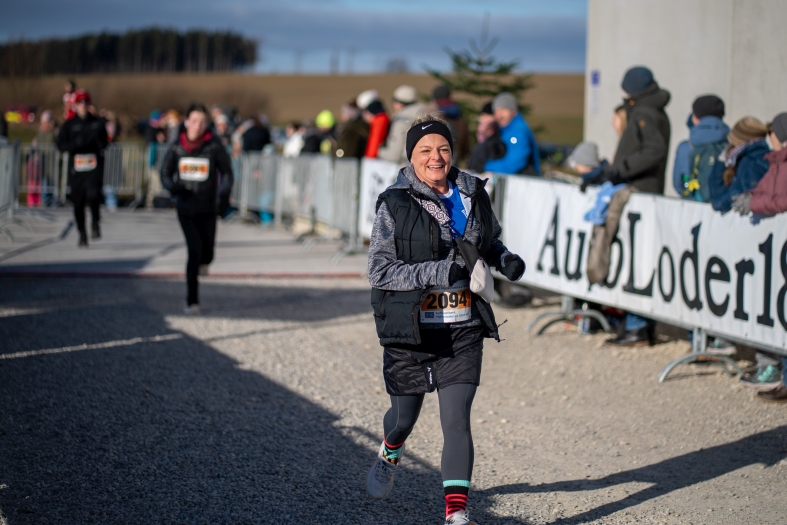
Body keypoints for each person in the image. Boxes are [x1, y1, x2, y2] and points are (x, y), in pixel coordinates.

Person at [366, 114, 525, 525]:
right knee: (403, 419)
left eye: (443, 149)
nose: (435, 157)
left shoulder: (473, 192)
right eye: (425, 150)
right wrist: (439, 272)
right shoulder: (394, 203)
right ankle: (390, 450)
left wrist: (503, 258)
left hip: (462, 326)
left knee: (456, 419)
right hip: (410, 329)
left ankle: (456, 514)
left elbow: (487, 241)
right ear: (411, 157)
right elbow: (379, 271)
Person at [583, 66, 672, 345]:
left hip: (639, 190)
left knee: (636, 258)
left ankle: (637, 325)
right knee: (635, 256)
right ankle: (637, 324)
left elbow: (654, 150)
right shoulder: (651, 109)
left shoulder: (645, 112)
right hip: (638, 189)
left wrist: (621, 171)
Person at [160, 103, 234, 314]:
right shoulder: (177, 147)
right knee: (194, 252)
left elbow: (227, 173)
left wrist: (223, 193)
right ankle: (192, 300)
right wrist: (173, 188)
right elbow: (165, 173)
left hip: (208, 206)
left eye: (202, 122)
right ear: (186, 122)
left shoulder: (214, 147)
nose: (198, 125)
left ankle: (204, 263)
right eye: (194, 121)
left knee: (207, 254)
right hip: (186, 207)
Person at [56, 89, 108, 247]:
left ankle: (95, 221)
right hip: (77, 169)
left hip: (93, 167)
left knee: (94, 195)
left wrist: (97, 145)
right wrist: (74, 145)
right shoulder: (69, 125)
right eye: (79, 102)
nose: (83, 105)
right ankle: (82, 233)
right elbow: (60, 144)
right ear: (75, 105)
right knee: (78, 202)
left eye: (85, 102)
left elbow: (105, 142)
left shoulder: (97, 123)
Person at [672, 95, 729, 201]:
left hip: (694, 204)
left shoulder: (685, 147)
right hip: (723, 205)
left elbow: (678, 185)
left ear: (694, 118)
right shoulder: (732, 145)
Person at [708, 117, 769, 213]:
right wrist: (721, 161)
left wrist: (716, 203)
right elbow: (718, 191)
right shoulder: (746, 158)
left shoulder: (749, 163)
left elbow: (736, 195)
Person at [733, 112, 787, 219]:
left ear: (780, 135)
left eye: (770, 131)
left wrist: (753, 203)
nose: (769, 137)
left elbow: (784, 202)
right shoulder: (776, 162)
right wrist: (749, 195)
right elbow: (763, 187)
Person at [483, 92, 540, 175]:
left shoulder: (518, 130)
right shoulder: (505, 130)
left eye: (503, 110)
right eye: (496, 111)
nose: (499, 115)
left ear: (513, 111)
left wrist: (489, 168)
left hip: (523, 179)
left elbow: (516, 161)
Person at [378, 85, 427, 164]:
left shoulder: (401, 121)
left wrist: (380, 151)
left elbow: (394, 155)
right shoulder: (427, 114)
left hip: (409, 165)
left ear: (399, 103)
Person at [431, 84, 471, 164]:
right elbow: (466, 137)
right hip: (455, 156)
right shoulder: (458, 113)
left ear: (434, 97)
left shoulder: (433, 112)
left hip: (437, 158)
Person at [468, 102, 506, 174]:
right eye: (481, 116)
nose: (482, 119)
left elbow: (493, 162)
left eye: (486, 116)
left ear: (494, 117)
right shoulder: (482, 139)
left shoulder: (496, 140)